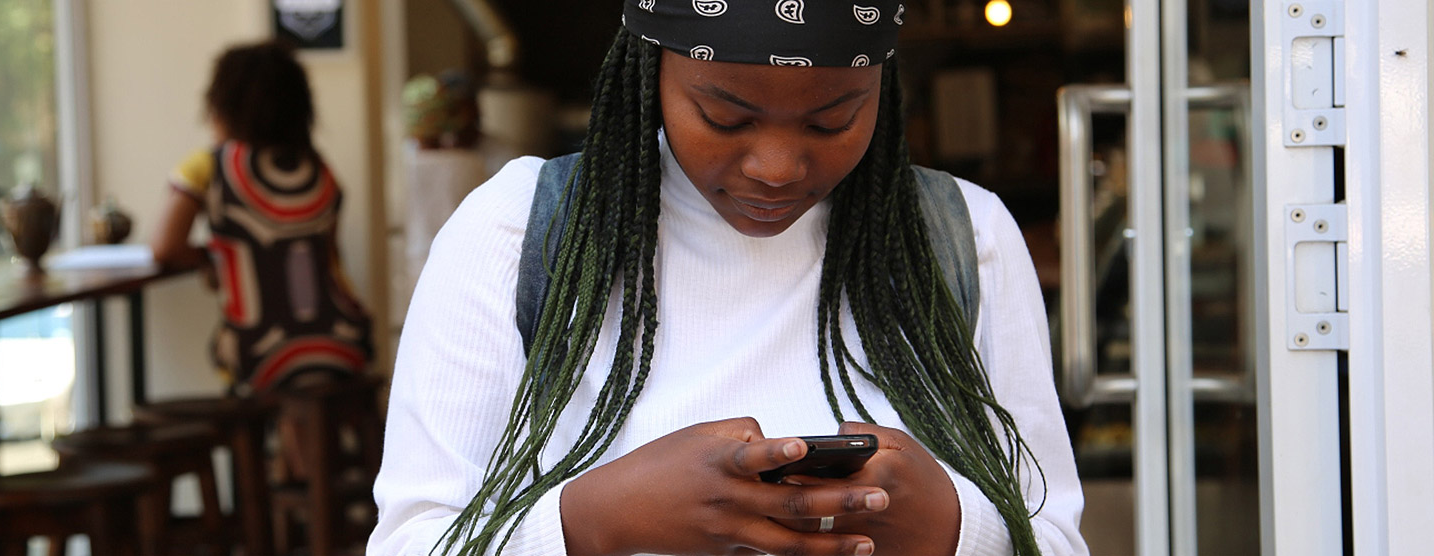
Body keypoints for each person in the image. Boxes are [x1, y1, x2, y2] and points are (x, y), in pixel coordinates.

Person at [369, 2, 1086, 555]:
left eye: (833, 120)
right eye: (725, 116)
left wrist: (953, 528)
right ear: (650, 69)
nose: (776, 166)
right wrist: (598, 517)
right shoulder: (516, 231)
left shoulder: (964, 237)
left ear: (884, 88)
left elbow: (1056, 538)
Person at [151, 40, 373, 396]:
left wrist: (217, 257)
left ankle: (266, 452)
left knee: (240, 361)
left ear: (222, 108)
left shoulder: (208, 164)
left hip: (256, 349)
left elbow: (164, 248)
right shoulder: (318, 170)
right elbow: (329, 259)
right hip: (342, 340)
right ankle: (297, 451)